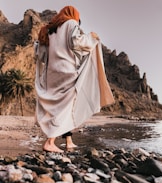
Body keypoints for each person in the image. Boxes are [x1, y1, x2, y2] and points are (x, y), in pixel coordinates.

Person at [35, 5, 114, 153]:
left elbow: (42, 55)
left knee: (64, 106)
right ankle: (49, 142)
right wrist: (91, 37)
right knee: (65, 107)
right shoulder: (70, 23)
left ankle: (67, 141)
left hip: (52, 74)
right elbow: (76, 42)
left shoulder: (49, 30)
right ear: (73, 15)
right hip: (66, 71)